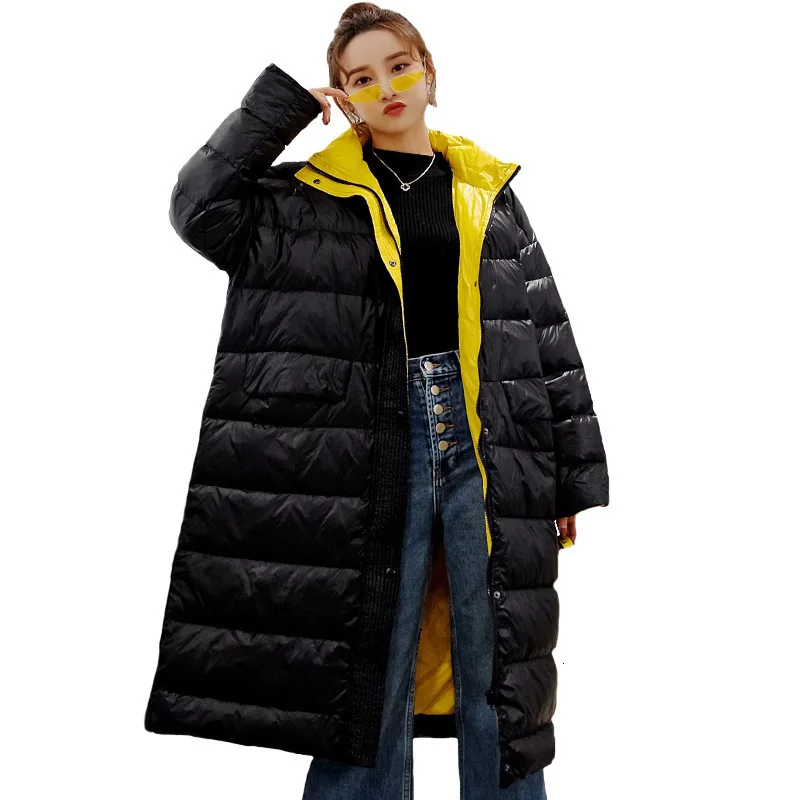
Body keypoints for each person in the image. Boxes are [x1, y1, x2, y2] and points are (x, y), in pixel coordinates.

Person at [143, 3, 609, 798]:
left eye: (398, 66)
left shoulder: (487, 189)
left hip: (488, 440)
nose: (386, 87)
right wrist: (282, 110)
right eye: (360, 78)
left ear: (427, 71)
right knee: (369, 659)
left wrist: (569, 477)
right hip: (370, 438)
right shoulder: (304, 196)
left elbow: (541, 327)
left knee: (497, 653)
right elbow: (198, 207)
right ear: (344, 96)